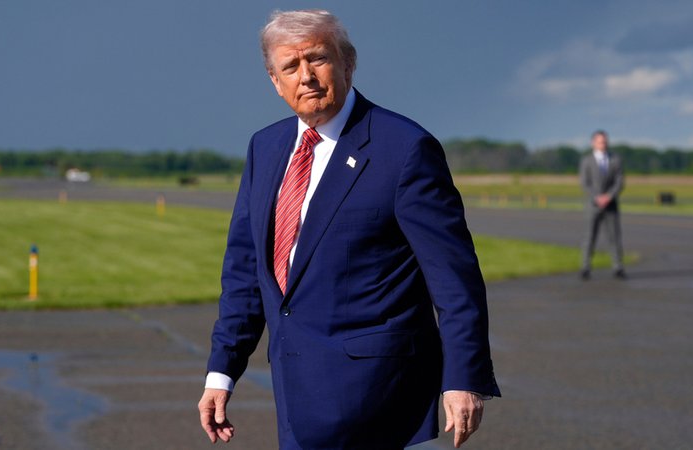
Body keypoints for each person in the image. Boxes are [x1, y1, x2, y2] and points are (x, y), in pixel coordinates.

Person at [198, 10, 500, 449]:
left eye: (318, 59)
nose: (307, 77)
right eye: (290, 66)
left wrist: (463, 378)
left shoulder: (404, 148)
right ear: (273, 80)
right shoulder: (265, 147)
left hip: (379, 395)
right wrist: (221, 371)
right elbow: (246, 272)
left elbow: (454, 278)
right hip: (295, 394)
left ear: (348, 63)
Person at [579, 130, 625, 280]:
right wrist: (597, 197)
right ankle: (585, 267)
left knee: (614, 237)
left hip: (611, 205)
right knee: (589, 237)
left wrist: (609, 196)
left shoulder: (615, 160)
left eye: (605, 141)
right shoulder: (587, 161)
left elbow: (619, 181)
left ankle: (618, 267)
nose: (603, 144)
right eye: (600, 142)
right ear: (593, 143)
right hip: (593, 205)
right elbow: (585, 183)